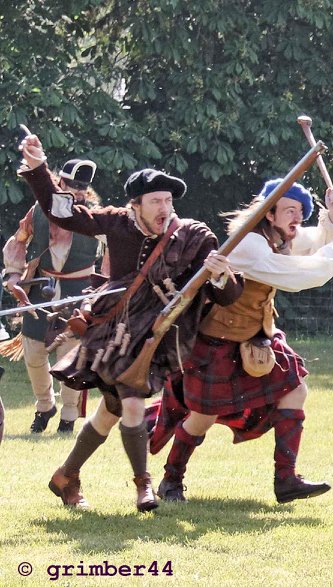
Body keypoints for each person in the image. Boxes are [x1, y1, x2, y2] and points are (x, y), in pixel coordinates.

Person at [21, 133, 238, 512]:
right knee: (133, 405)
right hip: (114, 332)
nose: (164, 209)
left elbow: (226, 296)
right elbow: (64, 213)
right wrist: (40, 170)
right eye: (155, 201)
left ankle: (65, 475)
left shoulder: (193, 236)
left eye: (168, 201)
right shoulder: (117, 222)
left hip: (156, 339)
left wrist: (219, 274)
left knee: (112, 410)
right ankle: (144, 487)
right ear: (134, 204)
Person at [153, 179, 333, 504]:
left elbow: (314, 241)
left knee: (295, 390)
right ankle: (171, 480)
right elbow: (296, 274)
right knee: (203, 417)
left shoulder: (278, 236)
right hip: (218, 342)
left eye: (300, 213)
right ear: (268, 213)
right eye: (289, 210)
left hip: (258, 337)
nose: (296, 219)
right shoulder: (250, 243)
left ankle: (286, 480)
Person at [4, 158, 102, 435]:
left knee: (69, 356)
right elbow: (18, 240)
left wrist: (106, 286)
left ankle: (69, 417)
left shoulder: (95, 215)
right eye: (72, 185)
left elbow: (115, 249)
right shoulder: (39, 209)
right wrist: (12, 274)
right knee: (34, 353)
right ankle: (45, 407)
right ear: (59, 181)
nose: (77, 191)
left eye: (82, 187)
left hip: (78, 292)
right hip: (40, 289)